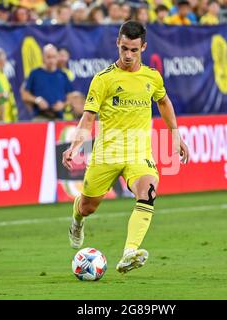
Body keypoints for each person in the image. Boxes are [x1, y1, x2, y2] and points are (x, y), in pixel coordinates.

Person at [62, 21, 189, 274]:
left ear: (143, 47)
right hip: (107, 153)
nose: (128, 55)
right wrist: (75, 145)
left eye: (133, 50)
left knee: (149, 190)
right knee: (89, 207)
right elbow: (88, 117)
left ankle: (130, 252)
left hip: (139, 153)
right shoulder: (103, 79)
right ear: (117, 45)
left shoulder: (152, 76)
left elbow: (163, 101)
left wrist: (175, 133)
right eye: (123, 49)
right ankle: (76, 220)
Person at [21, 44, 73, 121]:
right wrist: (37, 100)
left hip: (58, 118)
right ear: (43, 57)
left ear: (57, 58)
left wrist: (63, 105)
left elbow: (70, 97)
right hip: (40, 117)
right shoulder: (35, 73)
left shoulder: (63, 75)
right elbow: (25, 95)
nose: (51, 60)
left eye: (54, 57)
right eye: (48, 57)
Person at [0, 48, 19, 123]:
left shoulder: (2, 75)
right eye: (5, 59)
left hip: (7, 120)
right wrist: (1, 118)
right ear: (1, 61)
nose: (5, 62)